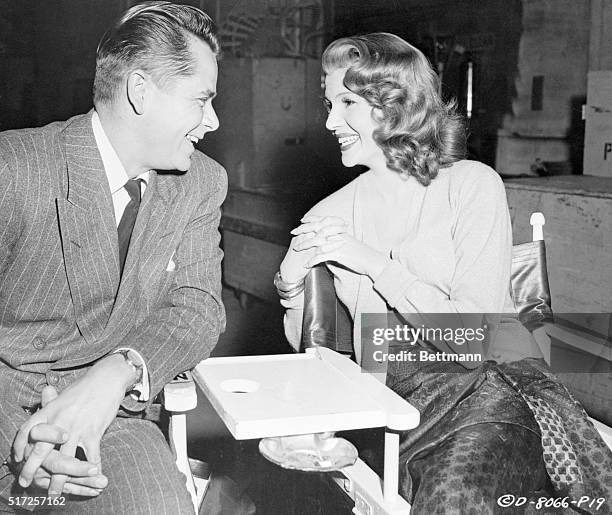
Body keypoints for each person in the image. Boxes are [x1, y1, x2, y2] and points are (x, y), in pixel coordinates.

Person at [278, 33, 612, 513]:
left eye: (347, 102)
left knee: (452, 499)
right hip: (394, 406)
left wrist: (374, 263)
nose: (330, 121)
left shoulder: (471, 185)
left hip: (486, 390)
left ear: (395, 104)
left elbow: (473, 338)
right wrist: (290, 286)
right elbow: (320, 349)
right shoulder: (329, 215)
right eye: (329, 102)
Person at [0, 2, 226, 513]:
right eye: (201, 100)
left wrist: (116, 372)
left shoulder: (201, 183)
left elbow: (197, 308)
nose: (212, 121)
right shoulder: (16, 169)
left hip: (116, 415)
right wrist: (35, 435)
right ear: (140, 91)